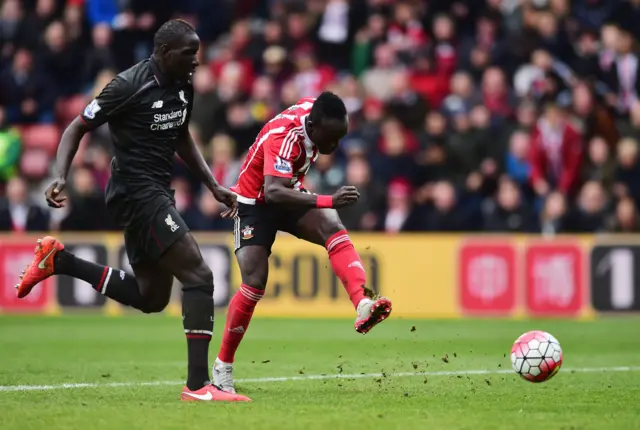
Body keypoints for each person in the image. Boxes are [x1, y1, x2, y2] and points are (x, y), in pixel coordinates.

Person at [14, 20, 250, 403]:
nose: (196, 59)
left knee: (151, 297)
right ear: (164, 52)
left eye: (197, 52)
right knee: (199, 275)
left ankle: (60, 261)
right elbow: (77, 126)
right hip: (135, 192)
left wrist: (213, 185)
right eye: (189, 53)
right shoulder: (128, 84)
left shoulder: (183, 84)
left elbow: (181, 136)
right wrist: (60, 176)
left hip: (155, 191)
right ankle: (197, 386)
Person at [212, 92, 393, 393]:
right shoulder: (285, 136)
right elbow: (272, 192)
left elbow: (283, 185)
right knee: (255, 282)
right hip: (255, 203)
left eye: (340, 137)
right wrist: (328, 199)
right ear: (314, 126)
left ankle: (362, 303)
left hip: (287, 191)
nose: (334, 146)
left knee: (333, 227)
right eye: (332, 139)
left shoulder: (317, 111)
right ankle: (222, 368)